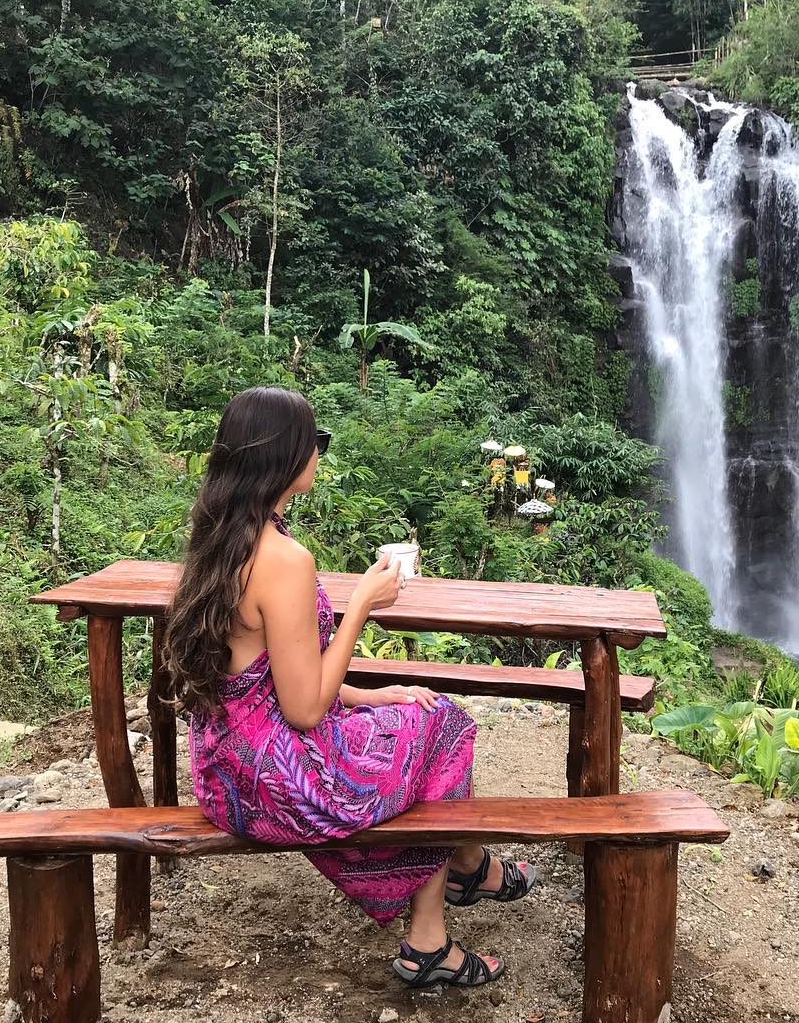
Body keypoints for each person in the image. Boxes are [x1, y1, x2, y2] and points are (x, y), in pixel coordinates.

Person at [163, 387, 536, 989]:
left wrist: (368, 697)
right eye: (316, 442)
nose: (320, 453)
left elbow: (264, 680)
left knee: (412, 712)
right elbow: (305, 709)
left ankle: (468, 869)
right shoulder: (284, 559)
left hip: (224, 773)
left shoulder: (221, 536)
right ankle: (434, 930)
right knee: (443, 727)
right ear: (285, 456)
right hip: (277, 782)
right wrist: (360, 604)